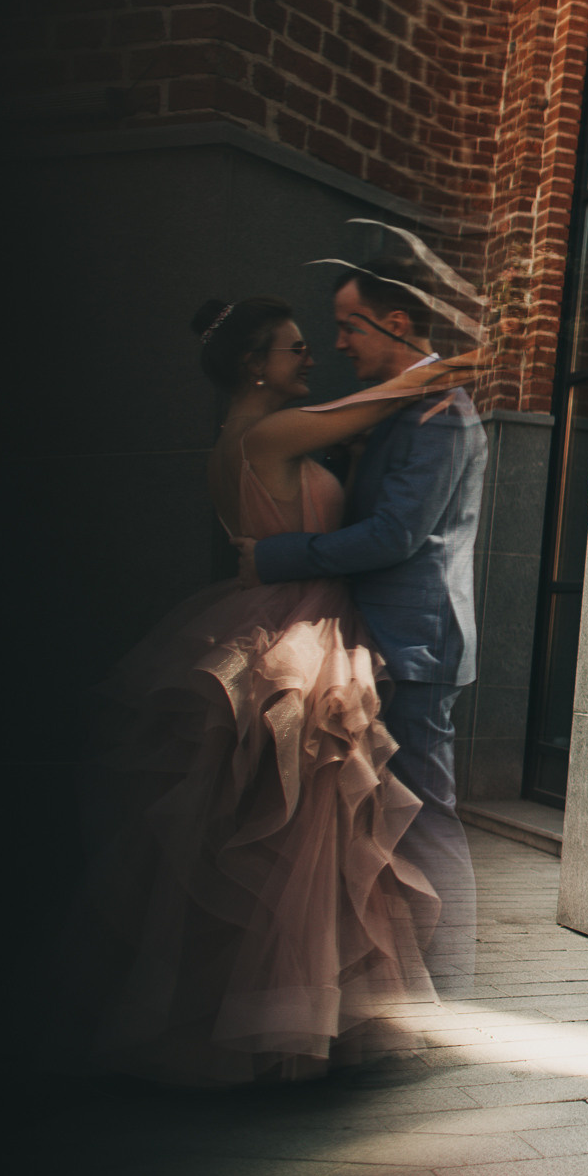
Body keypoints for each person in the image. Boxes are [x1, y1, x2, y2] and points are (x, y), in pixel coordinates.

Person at [64, 296, 473, 1084]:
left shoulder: (229, 444)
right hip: (302, 623)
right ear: (255, 365)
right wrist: (439, 362)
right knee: (309, 823)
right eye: (293, 350)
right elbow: (385, 400)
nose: (310, 358)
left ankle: (244, 1010)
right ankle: (301, 1013)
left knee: (253, 819)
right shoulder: (274, 432)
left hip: (261, 613)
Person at [239, 257, 487, 995]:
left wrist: (274, 557)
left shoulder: (440, 412)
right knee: (389, 815)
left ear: (397, 322)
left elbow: (393, 537)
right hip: (387, 635)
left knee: (426, 816)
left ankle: (454, 988)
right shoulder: (403, 406)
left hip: (414, 641)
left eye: (349, 324)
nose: (338, 342)